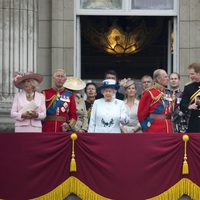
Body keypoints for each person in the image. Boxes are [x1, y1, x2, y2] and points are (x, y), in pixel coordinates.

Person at [138, 69, 174, 133]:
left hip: (168, 127)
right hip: (154, 128)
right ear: (158, 79)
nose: (168, 79)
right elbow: (141, 114)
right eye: (165, 77)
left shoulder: (169, 93)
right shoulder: (149, 92)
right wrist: (146, 127)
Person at [180, 63, 200, 133]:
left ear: (198, 73)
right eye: (190, 74)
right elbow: (182, 105)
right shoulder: (188, 87)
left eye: (192, 74)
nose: (190, 76)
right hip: (195, 122)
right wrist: (189, 106)